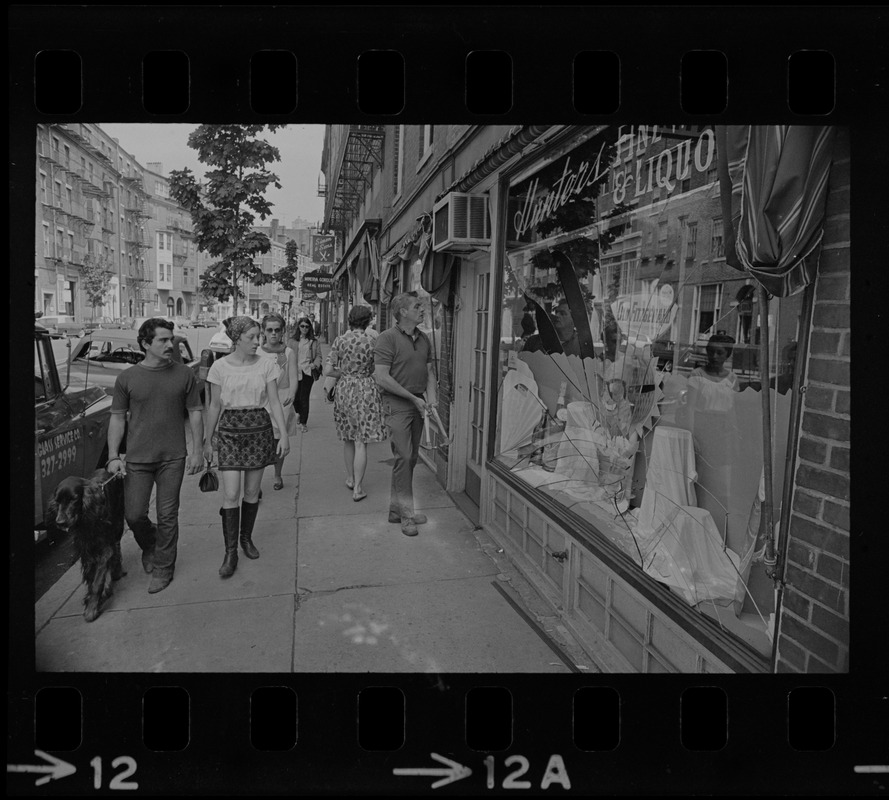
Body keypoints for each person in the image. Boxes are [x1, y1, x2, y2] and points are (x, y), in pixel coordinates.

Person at [106, 318, 204, 594]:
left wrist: (198, 451)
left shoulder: (184, 374)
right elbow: (117, 420)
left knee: (167, 513)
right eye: (162, 340)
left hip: (173, 456)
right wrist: (114, 455)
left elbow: (196, 413)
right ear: (145, 344)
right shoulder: (127, 378)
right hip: (138, 458)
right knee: (134, 514)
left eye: (170, 339)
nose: (169, 344)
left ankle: (163, 566)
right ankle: (150, 544)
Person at [203, 316, 290, 579]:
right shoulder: (219, 367)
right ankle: (230, 552)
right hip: (230, 430)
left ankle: (246, 538)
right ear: (237, 339)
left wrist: (283, 434)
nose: (257, 341)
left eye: (258, 336)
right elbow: (215, 406)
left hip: (259, 427)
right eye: (251, 337)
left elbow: (274, 401)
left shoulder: (267, 365)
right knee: (230, 493)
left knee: (252, 491)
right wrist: (208, 441)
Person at [373, 292, 438, 537]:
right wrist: (413, 398)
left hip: (418, 404)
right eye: (417, 306)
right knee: (404, 456)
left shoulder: (424, 339)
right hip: (397, 405)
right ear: (402, 312)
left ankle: (396, 510)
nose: (422, 310)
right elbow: (381, 377)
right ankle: (407, 515)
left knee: (409, 458)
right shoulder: (386, 339)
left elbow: (429, 372)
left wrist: (431, 399)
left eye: (421, 306)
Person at [326, 306, 389, 502]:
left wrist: (344, 374)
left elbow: (328, 370)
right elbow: (379, 370)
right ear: (369, 320)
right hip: (366, 390)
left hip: (345, 390)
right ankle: (358, 488)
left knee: (348, 438)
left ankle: (351, 479)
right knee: (362, 441)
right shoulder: (373, 341)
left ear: (350, 320)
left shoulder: (340, 340)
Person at [258, 312, 299, 490]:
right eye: (269, 330)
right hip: (260, 400)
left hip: (281, 399)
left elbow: (293, 377)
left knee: (279, 440)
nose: (273, 333)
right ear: (263, 332)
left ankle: (277, 474)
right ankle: (255, 480)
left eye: (277, 330)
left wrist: (292, 394)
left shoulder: (288, 352)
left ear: (282, 331)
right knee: (258, 441)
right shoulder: (257, 352)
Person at [290, 316, 323, 433]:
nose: (304, 329)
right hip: (295, 372)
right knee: (295, 397)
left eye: (307, 327)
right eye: (302, 326)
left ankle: (303, 422)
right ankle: (298, 413)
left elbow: (319, 355)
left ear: (310, 328)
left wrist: (315, 364)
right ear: (298, 327)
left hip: (307, 373)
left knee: (304, 398)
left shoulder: (314, 341)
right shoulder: (292, 341)